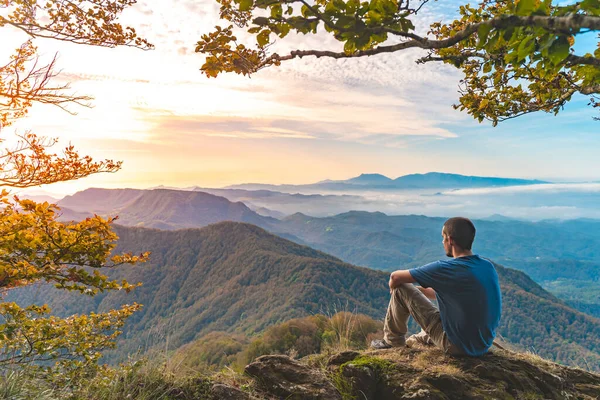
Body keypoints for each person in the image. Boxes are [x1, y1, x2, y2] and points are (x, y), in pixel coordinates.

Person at [371, 217, 502, 356]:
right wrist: (417, 292)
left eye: (443, 238)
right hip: (481, 344)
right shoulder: (487, 266)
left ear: (450, 240)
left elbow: (395, 277)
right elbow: (445, 293)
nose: (442, 242)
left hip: (456, 345)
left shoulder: (446, 268)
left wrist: (395, 288)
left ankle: (392, 342)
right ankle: (418, 341)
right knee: (414, 340)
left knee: (401, 288)